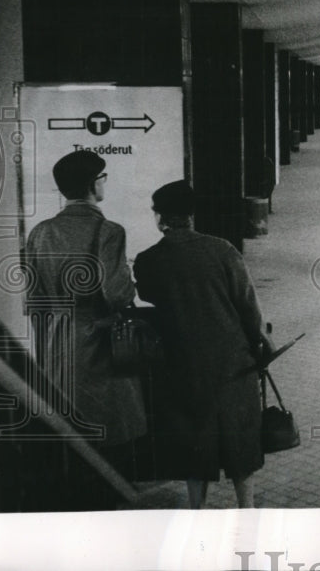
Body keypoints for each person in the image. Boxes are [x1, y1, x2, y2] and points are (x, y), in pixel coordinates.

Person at [133, 181, 272, 508]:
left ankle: (197, 508)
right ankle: (246, 506)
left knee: (193, 438)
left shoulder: (148, 260)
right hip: (232, 360)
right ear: (193, 215)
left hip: (182, 363)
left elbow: (148, 296)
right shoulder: (222, 250)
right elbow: (248, 306)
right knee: (239, 437)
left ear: (160, 217)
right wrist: (261, 343)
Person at [24, 151, 147, 471]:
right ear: (95, 184)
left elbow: (35, 303)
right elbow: (118, 295)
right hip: (100, 349)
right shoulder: (109, 231)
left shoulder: (40, 233)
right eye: (102, 178)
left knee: (70, 438)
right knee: (110, 441)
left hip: (56, 349)